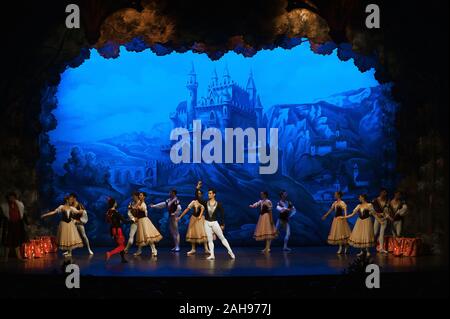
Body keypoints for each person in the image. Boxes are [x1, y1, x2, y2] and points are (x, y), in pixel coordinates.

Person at [204, 188, 235, 260]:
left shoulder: (218, 204)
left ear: (214, 194)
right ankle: (212, 255)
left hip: (215, 222)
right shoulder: (206, 202)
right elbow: (199, 199)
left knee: (222, 237)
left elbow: (222, 214)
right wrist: (197, 189)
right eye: (208, 193)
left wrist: (222, 224)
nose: (209, 194)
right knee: (210, 240)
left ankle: (230, 251)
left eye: (210, 193)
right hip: (207, 222)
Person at [176, 189, 209, 256]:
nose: (199, 195)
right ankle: (193, 249)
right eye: (198, 193)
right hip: (194, 218)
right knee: (193, 232)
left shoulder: (204, 202)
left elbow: (207, 211)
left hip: (201, 219)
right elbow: (186, 209)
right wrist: (180, 217)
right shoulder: (193, 202)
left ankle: (206, 248)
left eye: (200, 194)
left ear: (202, 195)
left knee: (203, 232)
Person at [134, 192, 162, 257]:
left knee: (148, 236)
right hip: (140, 221)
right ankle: (139, 250)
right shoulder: (139, 202)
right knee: (141, 236)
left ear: (144, 197)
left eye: (141, 195)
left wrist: (137, 206)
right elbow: (136, 210)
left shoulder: (143, 204)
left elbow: (143, 209)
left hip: (144, 221)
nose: (139, 196)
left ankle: (154, 250)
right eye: (139, 195)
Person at [1, 192, 26, 261]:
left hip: (17, 224)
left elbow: (23, 214)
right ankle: (5, 258)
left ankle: (19, 257)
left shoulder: (19, 205)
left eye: (13, 197)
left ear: (15, 198)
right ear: (8, 198)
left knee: (17, 241)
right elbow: (2, 216)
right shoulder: (4, 206)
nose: (11, 199)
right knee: (7, 241)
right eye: (10, 197)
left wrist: (27, 223)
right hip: (9, 225)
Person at [105, 198, 128, 263]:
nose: (116, 203)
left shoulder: (108, 212)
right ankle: (110, 253)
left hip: (113, 230)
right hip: (118, 230)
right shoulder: (115, 212)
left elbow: (108, 221)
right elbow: (125, 221)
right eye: (115, 202)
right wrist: (133, 220)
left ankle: (123, 259)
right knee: (122, 246)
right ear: (114, 204)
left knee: (120, 244)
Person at [372, 188, 390, 254]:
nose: (385, 194)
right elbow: (372, 211)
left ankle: (381, 248)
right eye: (383, 192)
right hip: (377, 219)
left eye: (385, 193)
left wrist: (387, 216)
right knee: (375, 232)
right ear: (381, 193)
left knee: (382, 233)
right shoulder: (375, 200)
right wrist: (378, 214)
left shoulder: (387, 200)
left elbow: (387, 210)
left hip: (384, 218)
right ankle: (369, 246)